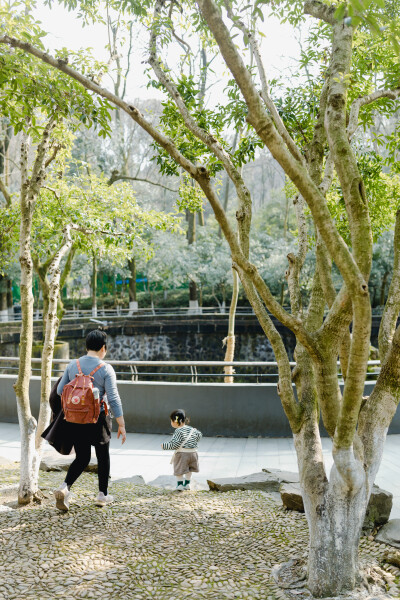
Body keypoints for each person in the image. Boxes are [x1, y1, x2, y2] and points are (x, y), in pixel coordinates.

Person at [53, 329, 126, 511]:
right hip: (98, 419)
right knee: (103, 456)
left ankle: (64, 487)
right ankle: (102, 495)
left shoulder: (73, 365)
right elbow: (114, 398)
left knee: (83, 457)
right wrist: (121, 424)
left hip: (75, 420)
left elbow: (60, 391)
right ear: (103, 348)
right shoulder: (106, 369)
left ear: (86, 347)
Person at [161, 409, 202, 491]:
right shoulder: (192, 429)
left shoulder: (178, 431)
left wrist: (164, 446)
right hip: (193, 454)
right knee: (189, 469)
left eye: (171, 420)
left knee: (179, 469)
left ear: (175, 421)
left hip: (182, 454)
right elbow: (199, 436)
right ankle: (187, 484)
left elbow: (175, 445)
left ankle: (180, 485)